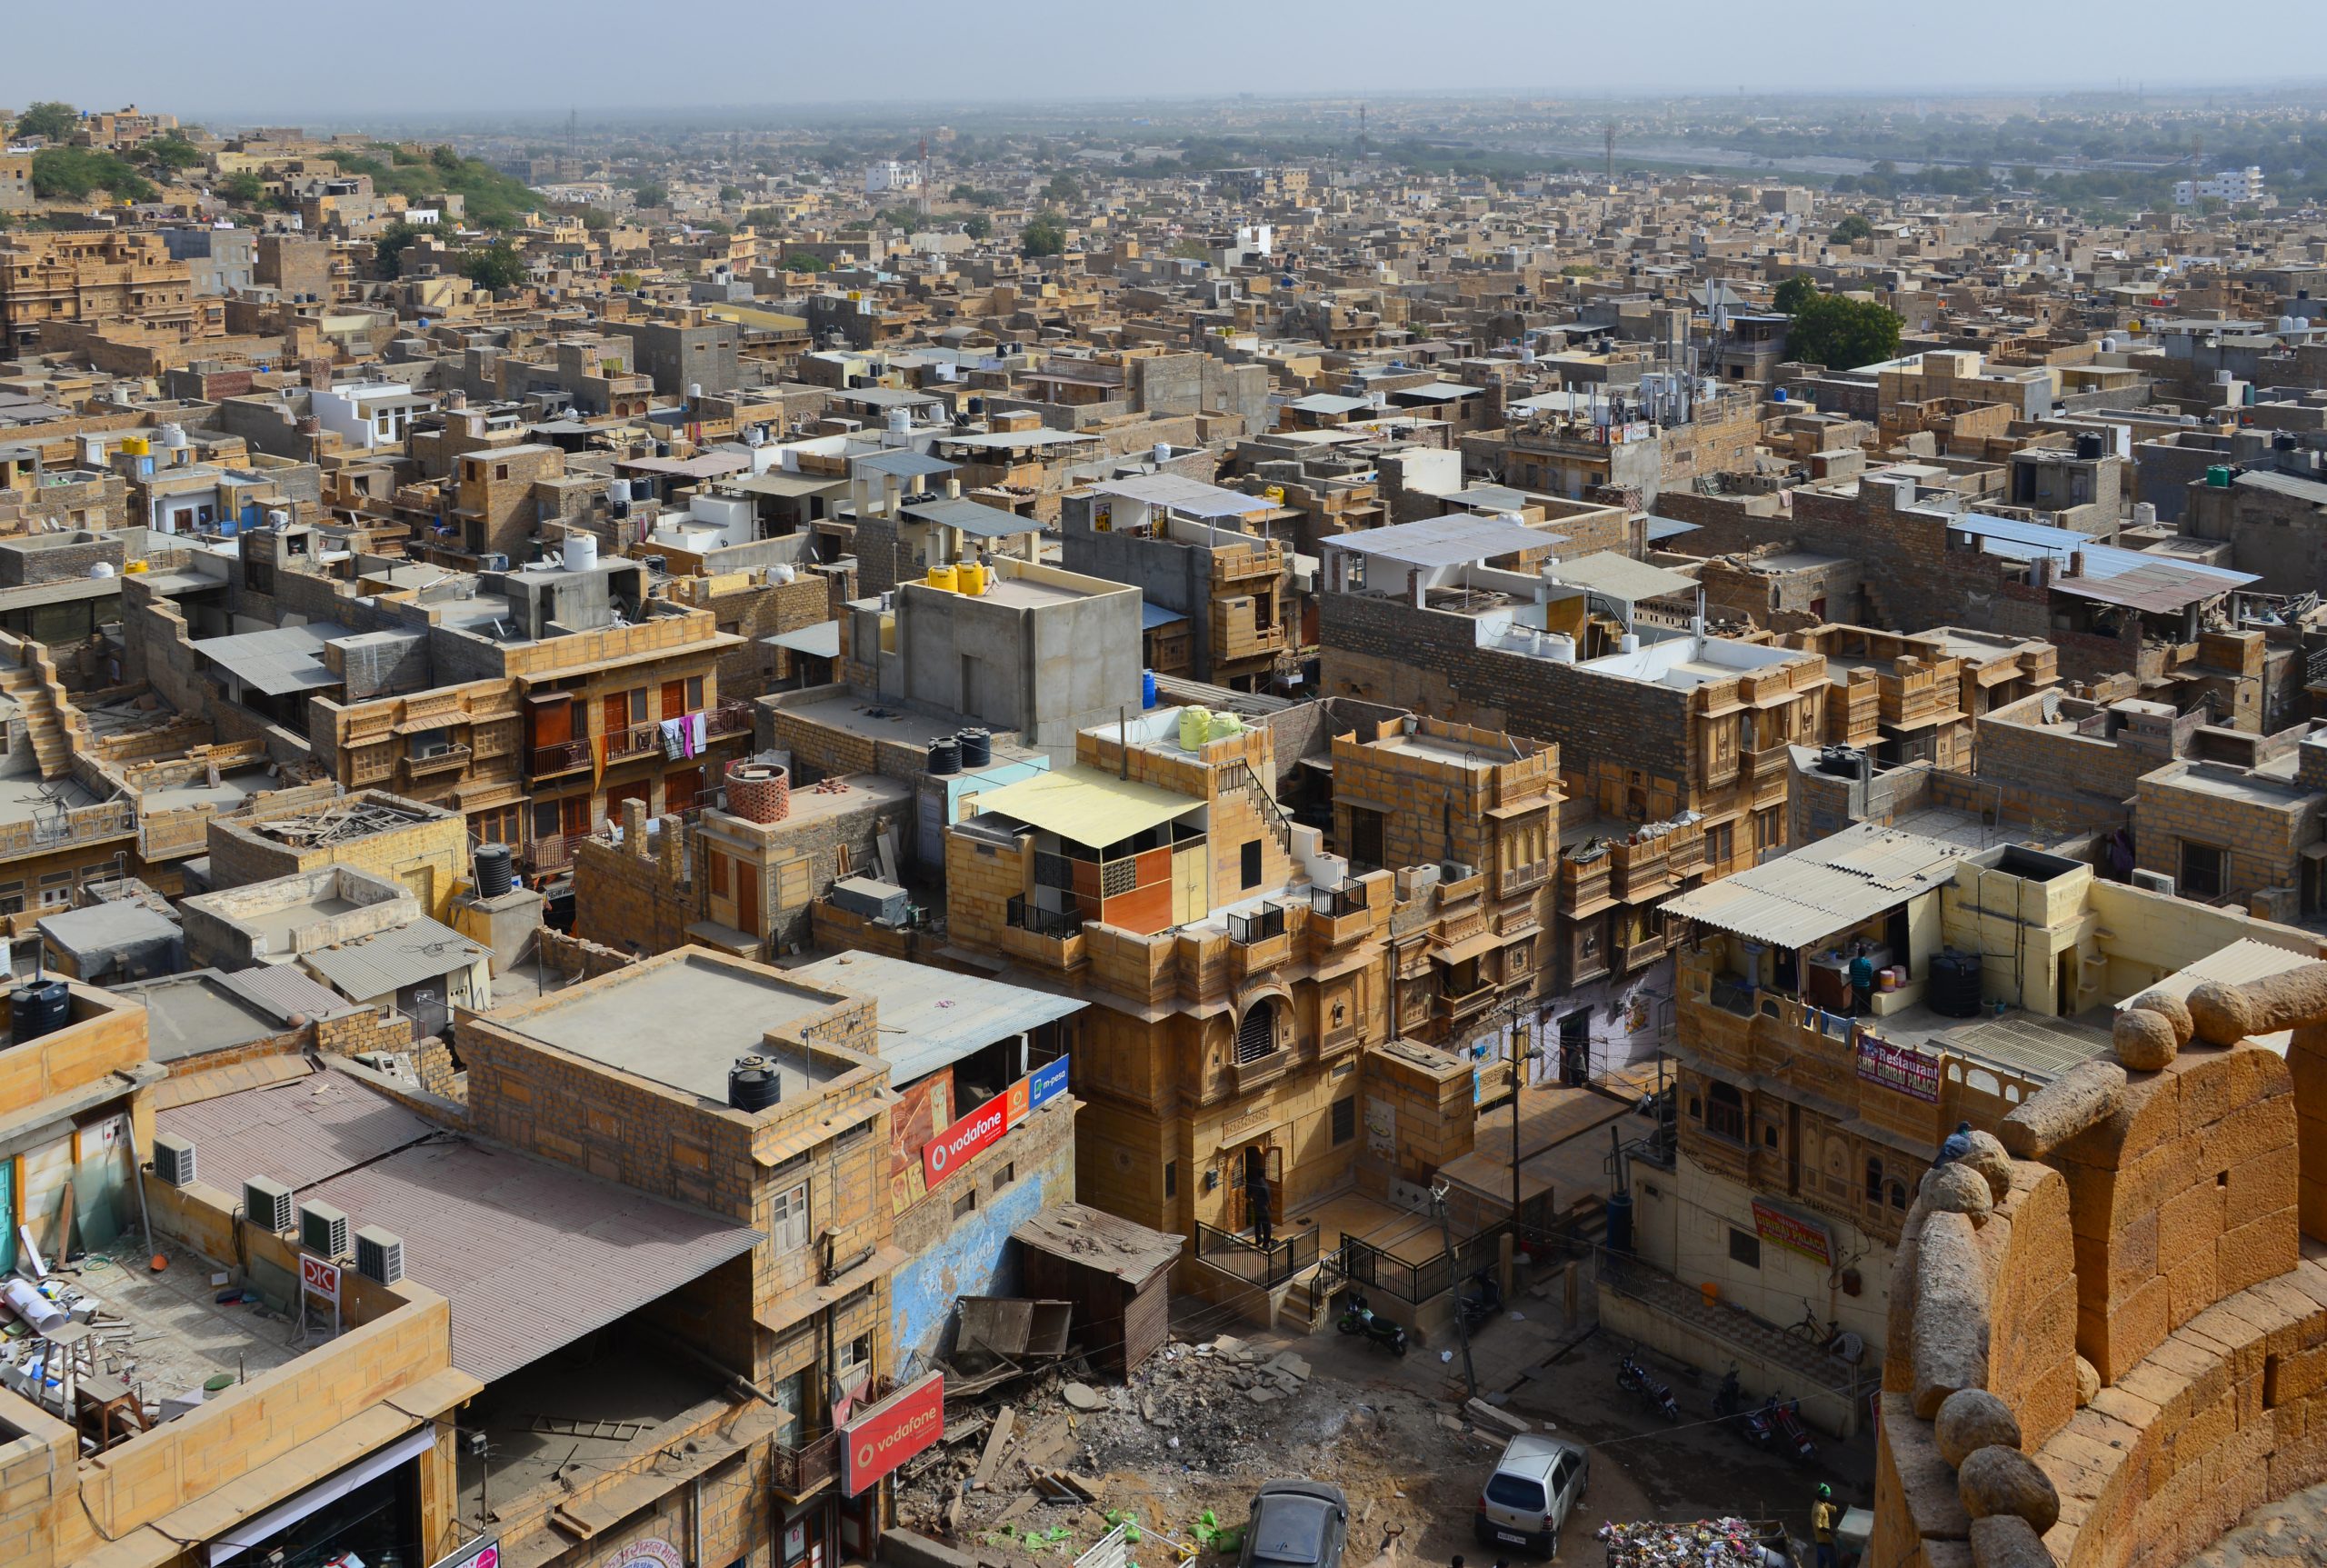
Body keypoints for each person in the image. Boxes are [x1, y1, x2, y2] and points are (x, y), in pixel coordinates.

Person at [1812, 1483, 1840, 1568]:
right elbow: (1818, 1526)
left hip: (1819, 1542)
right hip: (1825, 1542)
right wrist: (1831, 1531)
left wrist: (1834, 1509)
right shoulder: (1819, 1510)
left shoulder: (1819, 1502)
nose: (1829, 1498)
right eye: (1828, 1496)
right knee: (1834, 1564)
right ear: (1823, 1496)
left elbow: (1826, 1505)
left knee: (1820, 1565)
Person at [1847, 948, 1875, 1016]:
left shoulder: (1853, 962)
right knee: (1865, 998)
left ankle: (1854, 1013)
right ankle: (1866, 1010)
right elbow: (1870, 974)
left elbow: (1851, 972)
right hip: (1865, 984)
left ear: (1858, 953)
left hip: (1855, 983)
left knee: (1855, 999)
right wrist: (1867, 980)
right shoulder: (1868, 963)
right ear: (1865, 954)